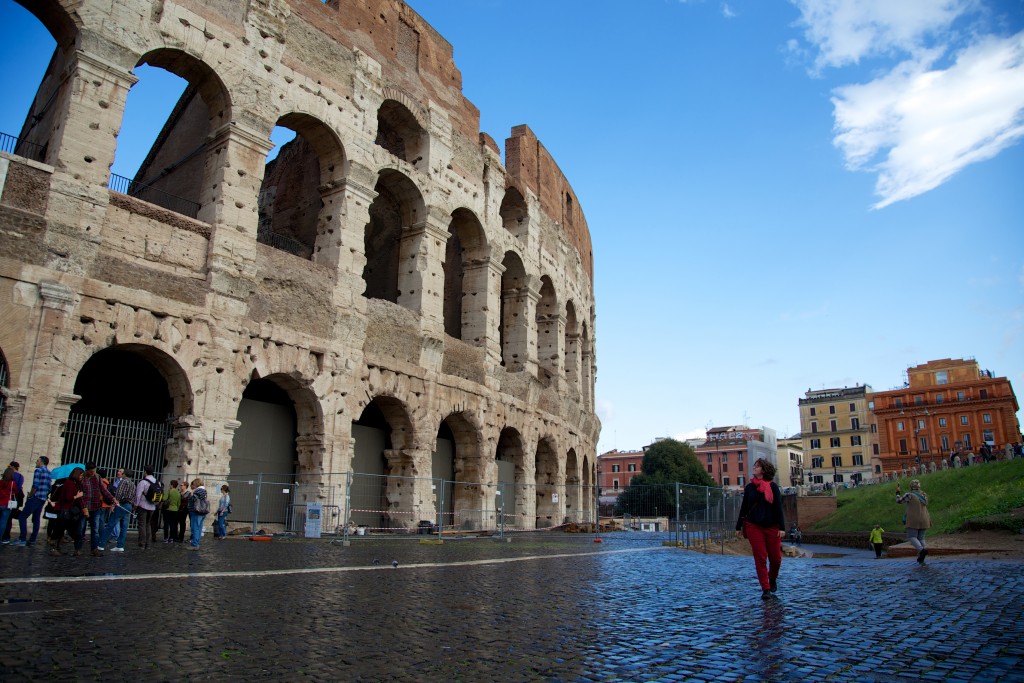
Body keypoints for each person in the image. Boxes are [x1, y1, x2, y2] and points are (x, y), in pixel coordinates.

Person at [736, 458, 786, 600]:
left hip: (772, 526)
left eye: (757, 466)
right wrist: (738, 526)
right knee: (760, 556)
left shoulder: (773, 487)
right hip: (754, 525)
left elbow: (778, 508)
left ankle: (772, 578)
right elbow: (744, 508)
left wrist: (782, 527)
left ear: (763, 470)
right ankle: (765, 588)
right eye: (754, 465)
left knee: (776, 559)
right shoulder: (749, 488)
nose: (754, 468)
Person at [13, 456, 51, 547]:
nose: (36, 462)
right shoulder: (49, 473)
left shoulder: (38, 471)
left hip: (35, 497)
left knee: (22, 517)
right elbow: (50, 487)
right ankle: (33, 539)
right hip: (42, 499)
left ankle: (22, 539)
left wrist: (30, 495)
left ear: (41, 462)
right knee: (36, 518)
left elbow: (35, 485)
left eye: (37, 461)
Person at [80, 462, 115, 556]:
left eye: (94, 471)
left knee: (95, 530)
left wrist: (112, 498)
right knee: (81, 528)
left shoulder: (97, 477)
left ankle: (94, 549)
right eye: (91, 471)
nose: (93, 473)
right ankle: (78, 548)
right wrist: (83, 506)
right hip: (85, 507)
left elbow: (103, 490)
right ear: (86, 470)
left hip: (95, 506)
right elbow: (80, 493)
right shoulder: (82, 478)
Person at [97, 469, 135, 553]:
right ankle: (120, 545)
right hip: (129, 505)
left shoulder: (123, 482)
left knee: (111, 524)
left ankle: (101, 544)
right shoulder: (132, 484)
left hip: (121, 504)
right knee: (124, 527)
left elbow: (118, 494)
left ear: (124, 474)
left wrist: (114, 504)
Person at [50, 467, 86, 556]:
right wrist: (77, 496)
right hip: (65, 510)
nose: (82, 477)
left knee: (60, 530)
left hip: (68, 510)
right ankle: (55, 548)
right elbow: (68, 498)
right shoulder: (70, 483)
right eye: (81, 475)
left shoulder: (75, 483)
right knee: (62, 530)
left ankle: (57, 548)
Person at [896, 479, 931, 564]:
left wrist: (897, 493)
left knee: (912, 536)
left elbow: (899, 501)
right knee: (921, 537)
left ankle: (921, 550)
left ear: (911, 486)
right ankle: (921, 556)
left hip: (913, 519)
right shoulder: (924, 494)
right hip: (925, 518)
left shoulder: (909, 495)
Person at [134, 465, 159, 550]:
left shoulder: (143, 482)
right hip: (152, 506)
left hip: (143, 505)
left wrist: (135, 505)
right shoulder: (157, 482)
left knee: (142, 524)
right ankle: (148, 544)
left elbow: (138, 495)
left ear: (145, 471)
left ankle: (142, 543)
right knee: (148, 524)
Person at [1, 461, 24, 543]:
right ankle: (5, 537)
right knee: (7, 520)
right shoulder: (20, 477)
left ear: (12, 467)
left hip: (2, 501)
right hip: (11, 501)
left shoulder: (4, 478)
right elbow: (17, 490)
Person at [187, 478, 209, 550]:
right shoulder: (204, 491)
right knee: (199, 528)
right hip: (203, 511)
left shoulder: (197, 491)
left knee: (195, 528)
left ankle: (194, 544)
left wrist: (191, 494)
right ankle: (197, 543)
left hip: (196, 511)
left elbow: (194, 499)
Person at [0, 467, 18, 543]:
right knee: (3, 522)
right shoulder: (12, 483)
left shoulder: (0, 482)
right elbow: (16, 491)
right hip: (7, 504)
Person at [162, 479, 182, 543]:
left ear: (171, 485)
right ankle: (171, 538)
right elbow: (179, 503)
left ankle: (166, 538)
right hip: (175, 510)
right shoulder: (178, 493)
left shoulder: (168, 491)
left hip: (168, 509)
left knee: (166, 524)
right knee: (173, 524)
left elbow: (164, 499)